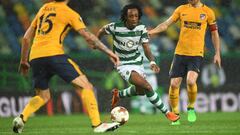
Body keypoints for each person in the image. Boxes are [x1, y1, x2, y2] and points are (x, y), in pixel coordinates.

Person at [12, 0, 121, 133]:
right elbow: (88, 37)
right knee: (86, 87)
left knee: (43, 96)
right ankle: (97, 124)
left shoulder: (44, 8)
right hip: (54, 54)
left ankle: (21, 118)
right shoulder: (69, 13)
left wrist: (24, 60)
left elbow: (26, 38)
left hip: (35, 57)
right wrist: (110, 53)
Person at [97, 3, 180, 122]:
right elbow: (101, 30)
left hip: (137, 63)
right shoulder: (115, 27)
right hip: (123, 65)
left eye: (136, 16)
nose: (134, 18)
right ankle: (167, 113)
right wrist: (97, 44)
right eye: (131, 16)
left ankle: (118, 94)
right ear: (125, 17)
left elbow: (146, 48)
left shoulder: (141, 28)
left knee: (141, 91)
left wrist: (152, 62)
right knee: (147, 86)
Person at [149, 0, 221, 125]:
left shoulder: (208, 12)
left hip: (196, 54)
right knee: (174, 85)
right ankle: (175, 114)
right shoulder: (181, 9)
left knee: (191, 81)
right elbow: (166, 24)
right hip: (180, 53)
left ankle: (191, 107)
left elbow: (214, 33)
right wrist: (152, 31)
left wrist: (217, 53)